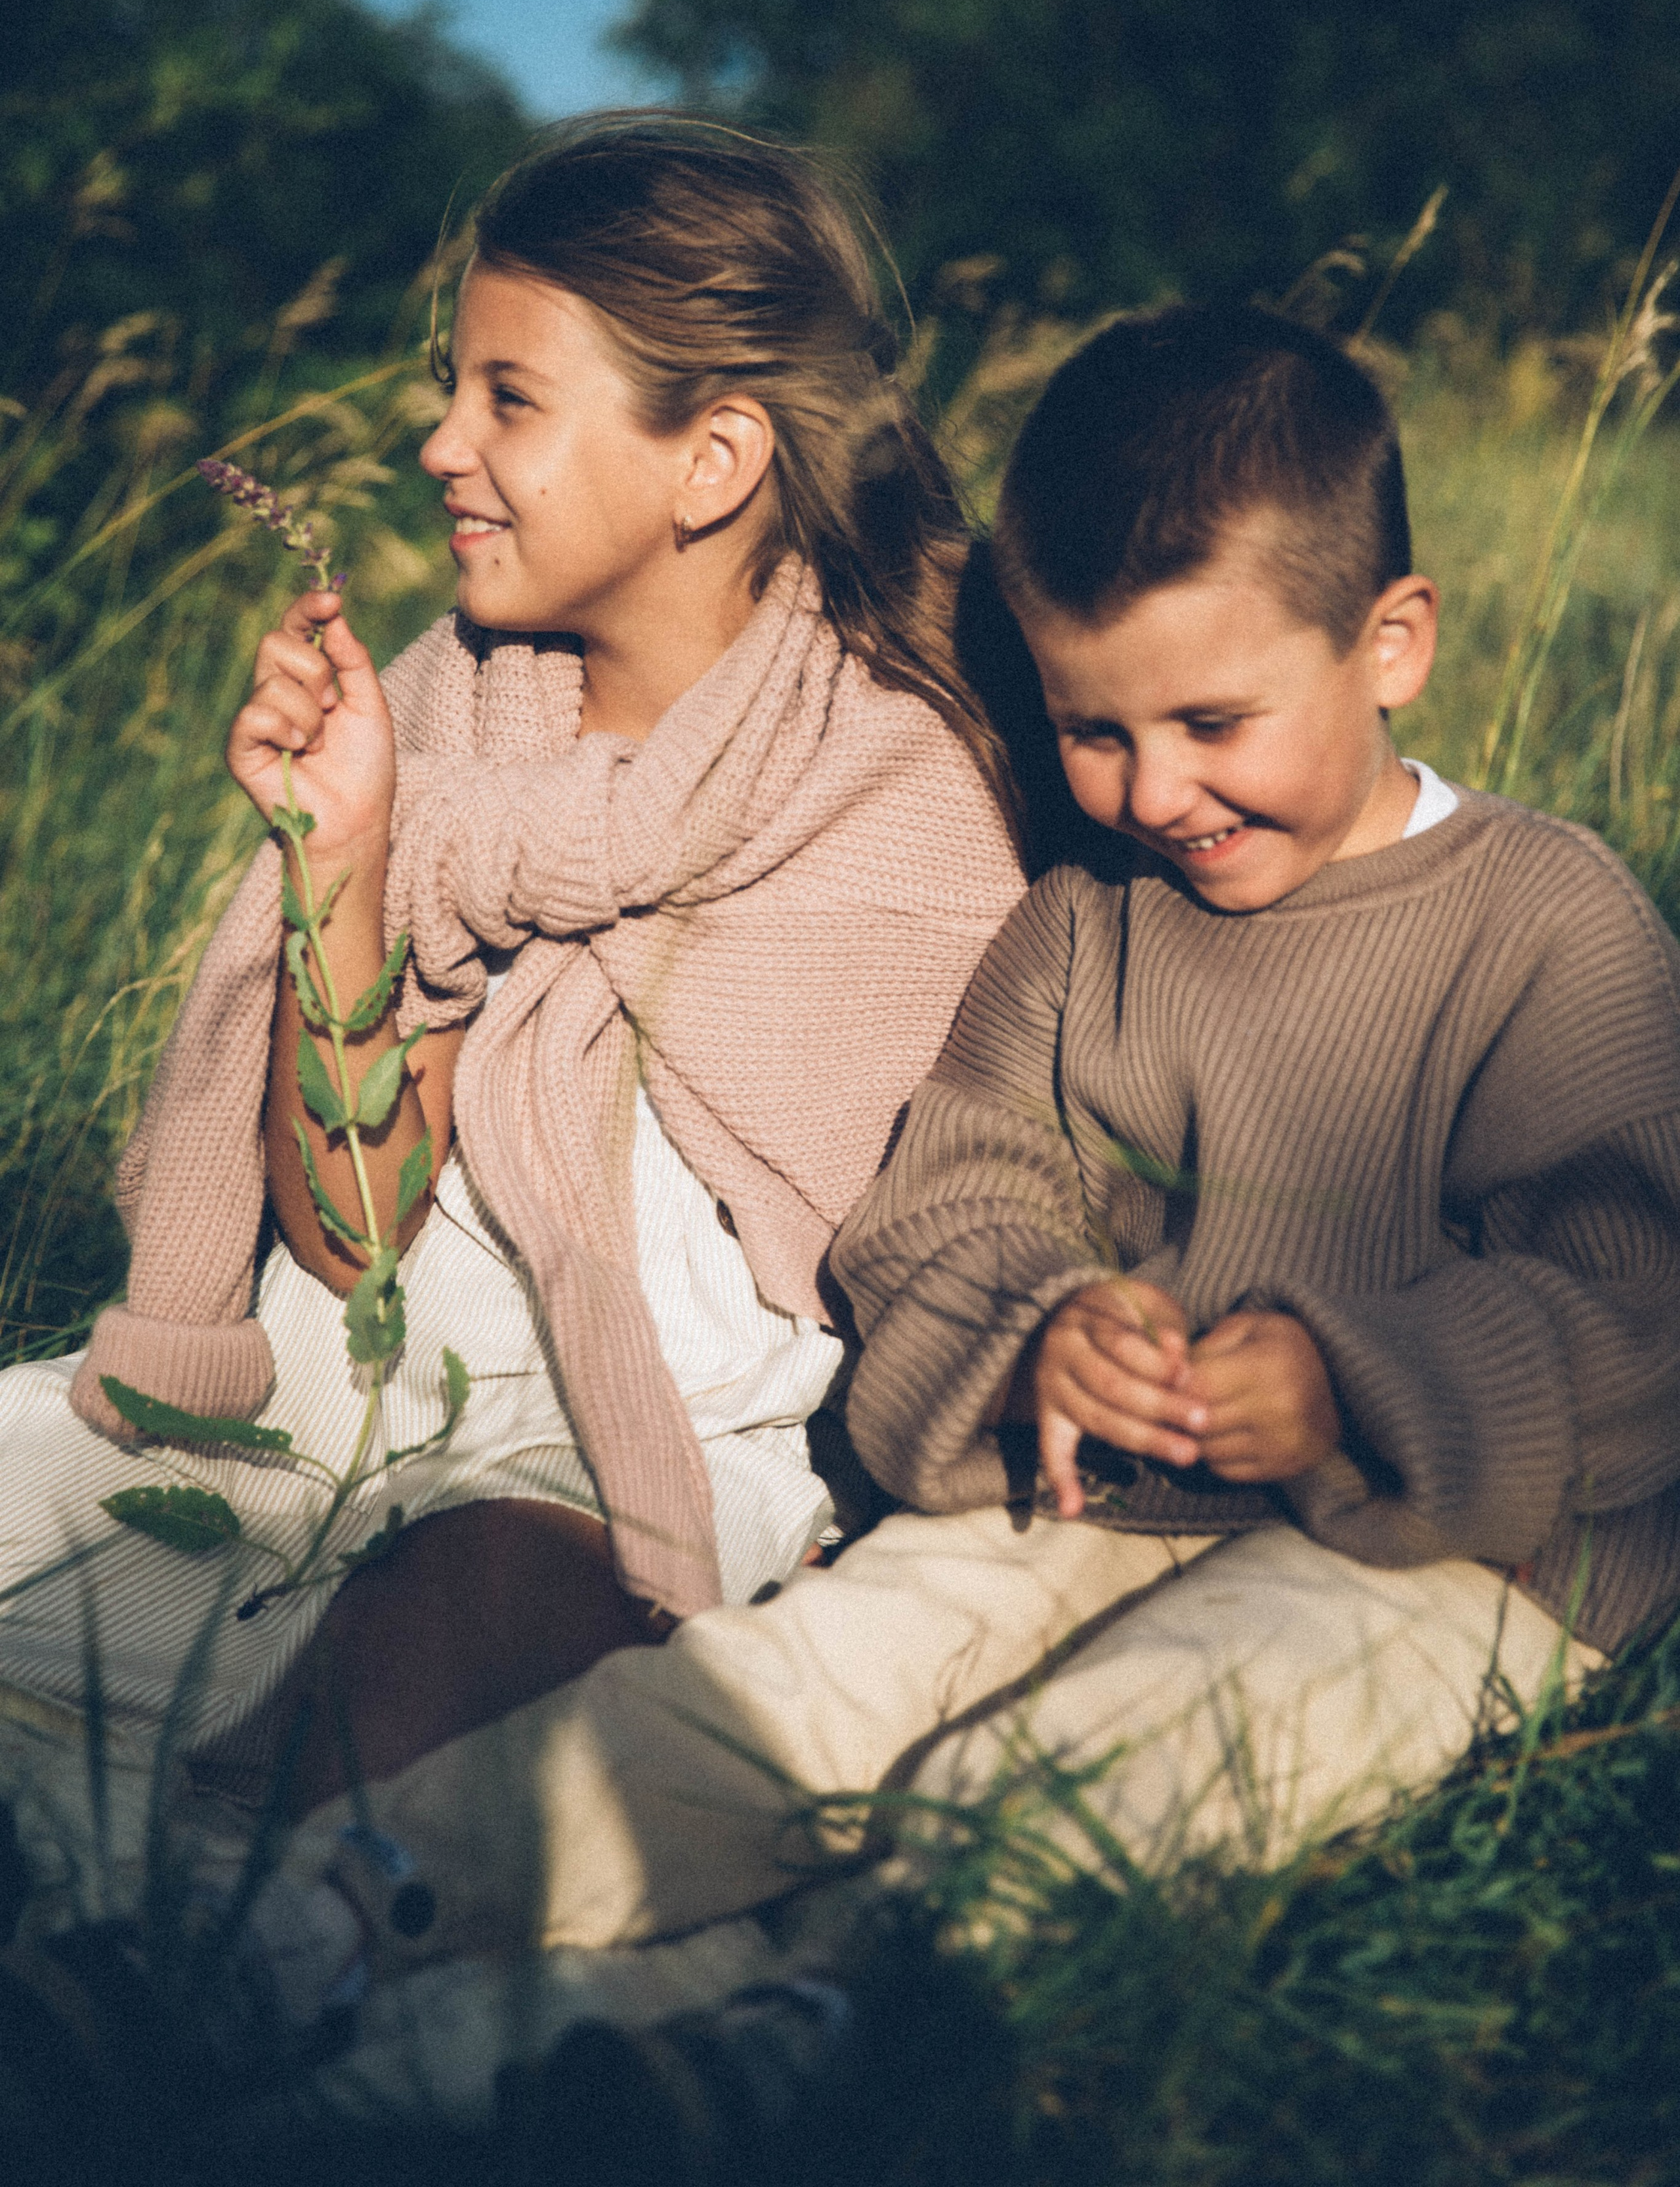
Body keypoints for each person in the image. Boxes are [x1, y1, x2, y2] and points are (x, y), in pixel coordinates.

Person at [242, 301, 1679, 2031]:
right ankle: (342, 1915)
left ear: (1391, 644)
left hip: (1458, 1549)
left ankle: (824, 2026)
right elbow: (948, 1213)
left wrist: (1355, 1381)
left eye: (1214, 723)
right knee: (800, 1685)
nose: (1154, 792)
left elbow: (1634, 1301)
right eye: (1095, 731)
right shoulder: (1087, 929)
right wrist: (1043, 1329)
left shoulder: (1546, 925)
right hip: (1087, 1500)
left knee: (1141, 1745)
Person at [0, 115, 1024, 1814]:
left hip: (627, 1471)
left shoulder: (893, 789)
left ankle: (190, 1949)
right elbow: (347, 1242)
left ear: (712, 460)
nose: (438, 445)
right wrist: (340, 860)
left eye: (509, 398)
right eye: (451, 389)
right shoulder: (443, 709)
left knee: (448, 1626)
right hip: (325, 1413)